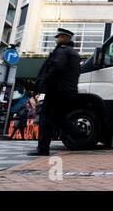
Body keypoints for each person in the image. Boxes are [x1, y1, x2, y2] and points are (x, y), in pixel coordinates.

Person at [28, 28, 82, 156]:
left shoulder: (62, 51)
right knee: (57, 118)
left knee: (46, 119)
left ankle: (43, 149)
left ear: (63, 37)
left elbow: (55, 68)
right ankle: (77, 132)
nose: (56, 39)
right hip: (67, 92)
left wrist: (42, 83)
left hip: (56, 91)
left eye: (58, 37)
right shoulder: (74, 53)